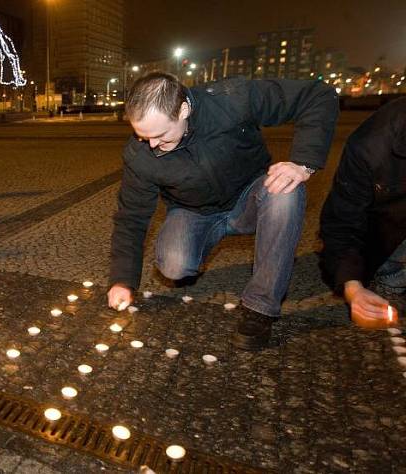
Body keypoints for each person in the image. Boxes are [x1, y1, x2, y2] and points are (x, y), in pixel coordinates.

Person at [108, 72, 338, 350]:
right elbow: (131, 217)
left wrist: (303, 164)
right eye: (142, 136)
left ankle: (260, 307)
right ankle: (195, 252)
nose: (152, 145)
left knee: (286, 191)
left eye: (159, 135)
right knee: (174, 265)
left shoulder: (233, 98)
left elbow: (317, 95)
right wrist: (122, 280)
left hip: (250, 197)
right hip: (193, 210)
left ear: (183, 110)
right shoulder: (139, 154)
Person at [319, 97, 406, 327]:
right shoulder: (370, 146)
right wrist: (353, 287)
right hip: (389, 228)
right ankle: (391, 270)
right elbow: (342, 220)